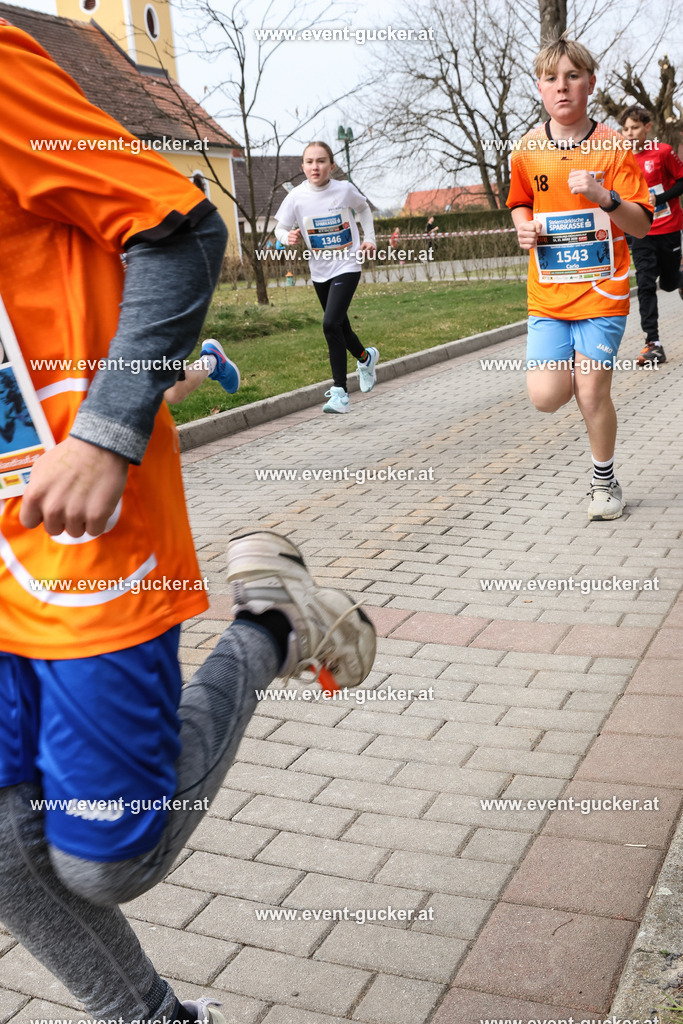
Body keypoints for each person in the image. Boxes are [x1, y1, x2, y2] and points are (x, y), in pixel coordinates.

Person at [0, 20, 376, 1024]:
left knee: (107, 859)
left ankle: (274, 626)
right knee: (2, 847)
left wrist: (111, 425)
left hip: (74, 517)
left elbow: (182, 228)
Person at [507, 37, 652, 521]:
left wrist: (603, 195)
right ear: (540, 87)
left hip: (602, 291)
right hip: (548, 295)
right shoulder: (528, 149)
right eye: (551, 78)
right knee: (547, 397)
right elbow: (519, 200)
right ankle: (570, 370)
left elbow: (642, 223)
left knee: (592, 392)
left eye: (572, 76)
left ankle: (604, 480)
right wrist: (522, 228)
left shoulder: (612, 146)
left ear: (590, 83)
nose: (562, 87)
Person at [273, 142, 379, 414]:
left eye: (321, 161)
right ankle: (366, 358)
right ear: (303, 167)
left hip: (347, 264)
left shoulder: (343, 189)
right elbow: (280, 229)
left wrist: (369, 240)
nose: (315, 167)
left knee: (330, 323)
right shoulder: (296, 196)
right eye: (309, 162)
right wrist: (288, 237)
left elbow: (364, 209)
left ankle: (340, 392)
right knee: (340, 327)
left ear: (331, 166)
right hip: (319, 271)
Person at [618, 104, 683, 366]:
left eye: (635, 128)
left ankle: (679, 278)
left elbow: (681, 181)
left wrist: (659, 198)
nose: (630, 133)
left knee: (667, 283)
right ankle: (653, 343)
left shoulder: (663, 152)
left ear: (647, 127)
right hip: (640, 232)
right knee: (645, 284)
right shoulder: (621, 159)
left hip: (668, 228)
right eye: (625, 129)